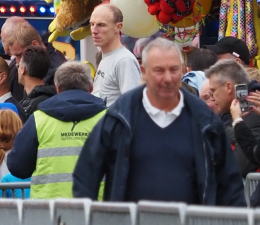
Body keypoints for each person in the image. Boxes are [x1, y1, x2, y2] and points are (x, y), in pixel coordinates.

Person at [73, 39, 245, 206]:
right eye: (159, 70)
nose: (168, 78)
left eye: (173, 69)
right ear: (144, 72)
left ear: (183, 70)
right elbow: (87, 172)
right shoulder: (120, 116)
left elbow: (230, 182)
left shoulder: (204, 120)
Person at [8, 62, 108, 199]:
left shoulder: (39, 119)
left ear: (57, 88)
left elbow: (17, 166)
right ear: (91, 88)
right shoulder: (108, 119)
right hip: (96, 209)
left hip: (49, 210)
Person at [204, 59, 260, 175]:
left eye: (213, 91)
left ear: (229, 87)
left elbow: (239, 166)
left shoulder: (253, 112)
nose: (212, 97)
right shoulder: (236, 112)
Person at [17, 47, 56, 119]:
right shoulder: (52, 98)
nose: (17, 70)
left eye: (18, 66)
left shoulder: (35, 105)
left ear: (23, 70)